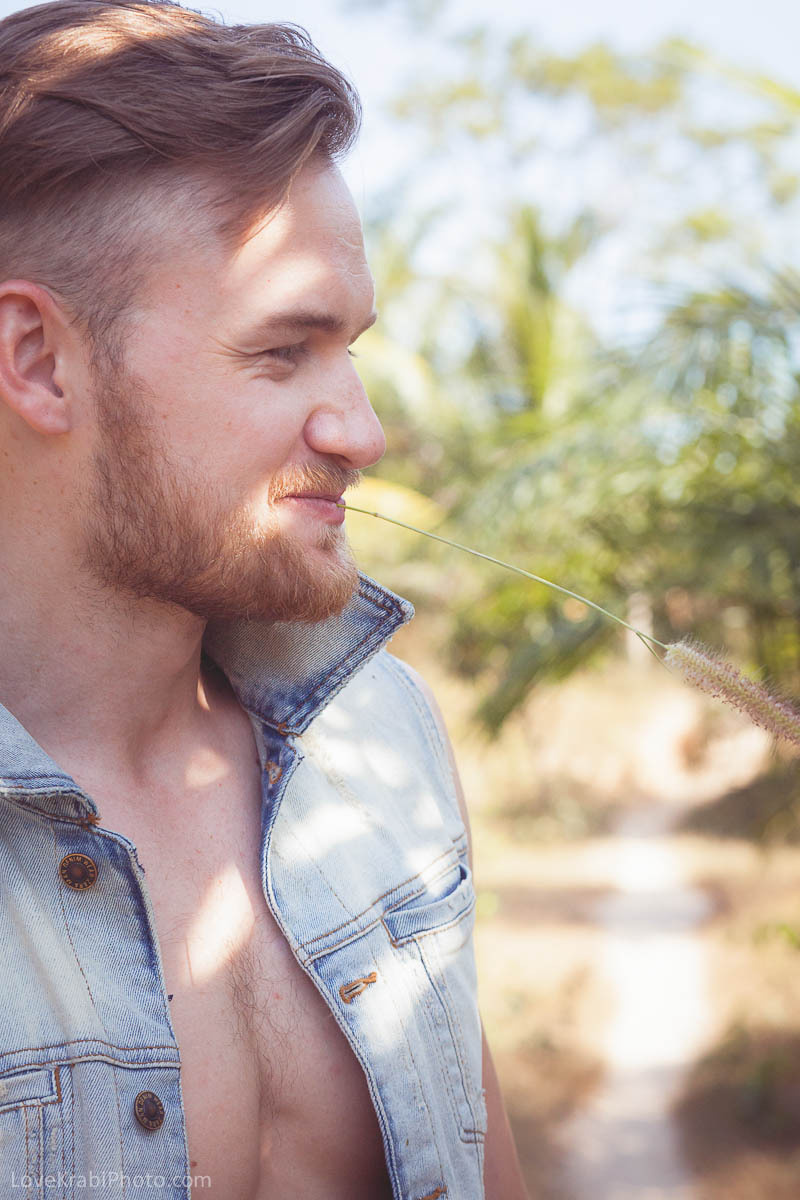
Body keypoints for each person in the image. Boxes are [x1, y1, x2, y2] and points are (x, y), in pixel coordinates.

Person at [0, 1, 529, 1197]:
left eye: (350, 349)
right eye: (280, 353)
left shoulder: (373, 737)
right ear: (39, 359)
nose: (362, 431)